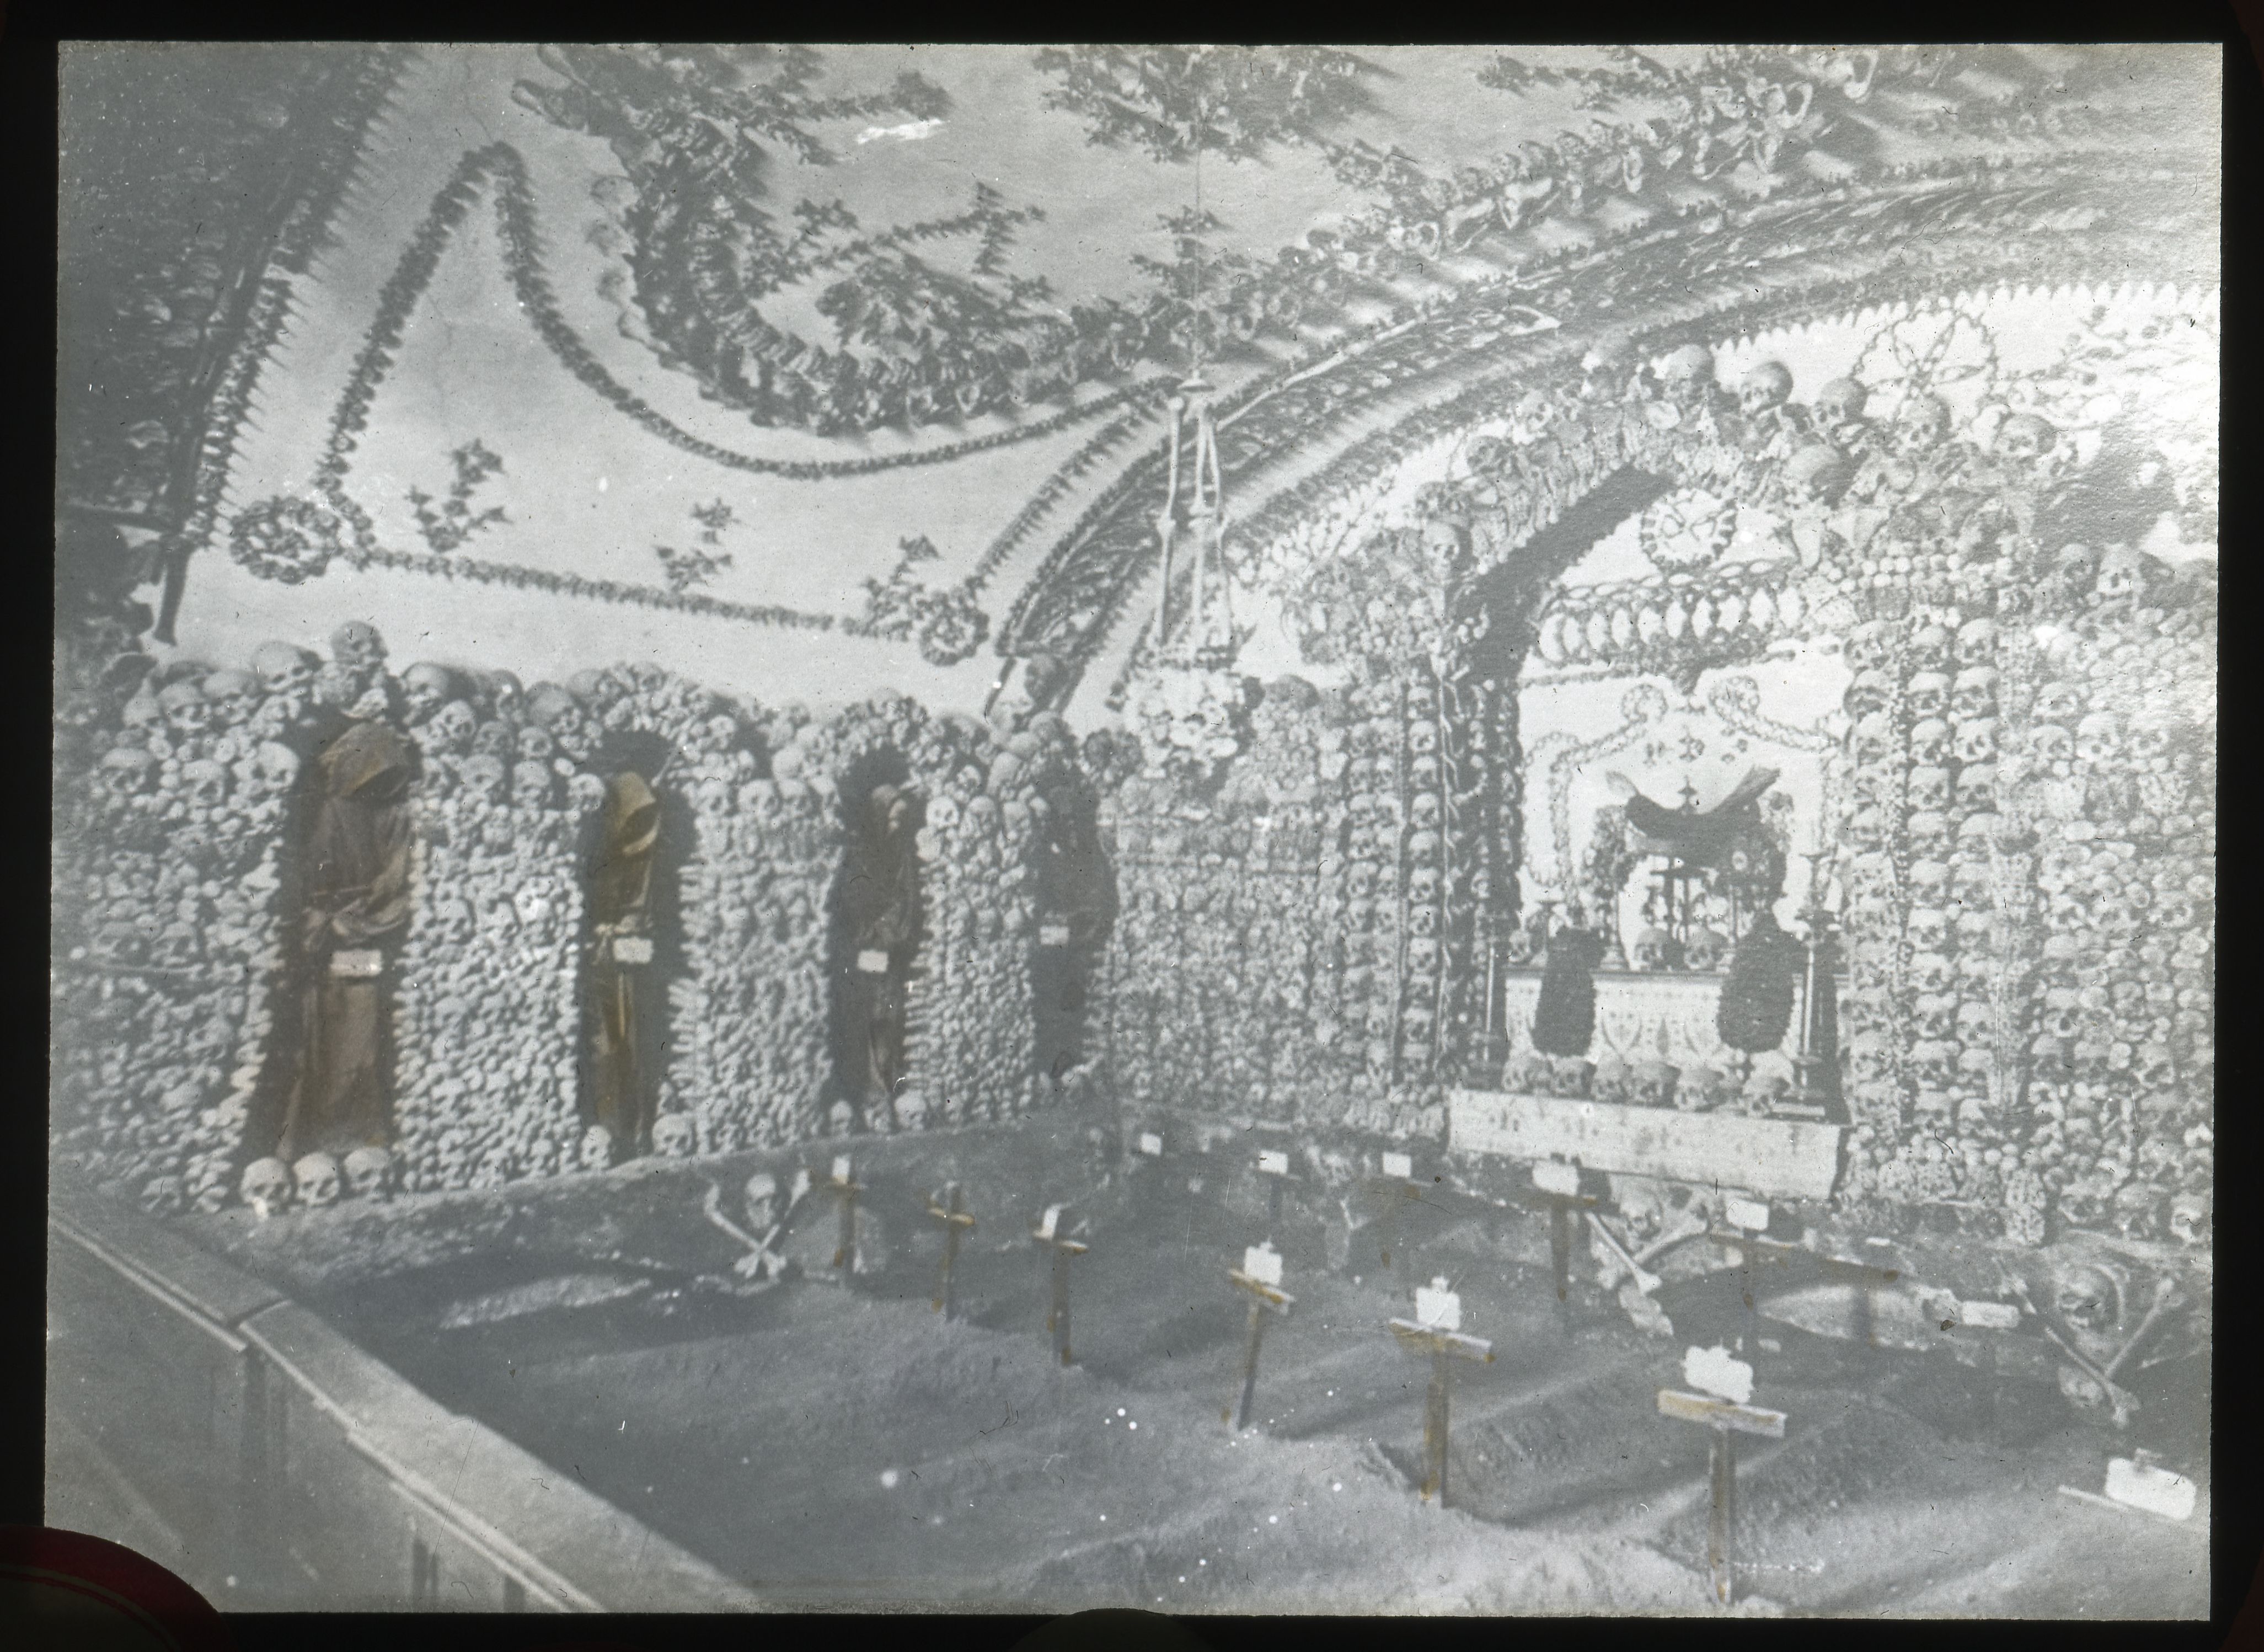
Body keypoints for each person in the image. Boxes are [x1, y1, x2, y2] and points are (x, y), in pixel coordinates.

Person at [275, 721, 413, 1162]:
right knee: (316, 1046)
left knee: (361, 1048)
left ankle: (354, 1139)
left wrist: (357, 921)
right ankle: (310, 1142)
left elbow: (397, 882)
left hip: (360, 945)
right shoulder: (328, 811)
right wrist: (325, 924)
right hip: (327, 947)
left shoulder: (392, 815)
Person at [589, 772, 660, 1150]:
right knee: (603, 1048)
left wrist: (629, 927)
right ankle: (611, 1131)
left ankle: (639, 1128)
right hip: (597, 968)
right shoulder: (597, 851)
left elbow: (642, 905)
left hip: (628, 969)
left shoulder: (642, 857)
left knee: (634, 1045)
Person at [844, 784, 919, 1111]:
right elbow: (854, 899)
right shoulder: (861, 854)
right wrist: (871, 933)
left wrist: (891, 932)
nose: (897, 827)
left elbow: (907, 897)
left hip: (890, 947)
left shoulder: (901, 853)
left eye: (902, 820)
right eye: (892, 819)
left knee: (890, 1014)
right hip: (865, 947)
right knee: (867, 1014)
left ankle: (888, 1079)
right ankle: (870, 1087)